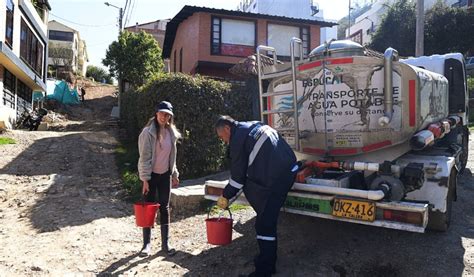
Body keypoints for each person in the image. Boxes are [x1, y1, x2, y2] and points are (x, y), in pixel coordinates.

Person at [215, 115, 298, 277]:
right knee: (265, 221)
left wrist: (225, 196)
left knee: (264, 225)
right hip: (291, 168)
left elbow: (237, 181)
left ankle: (265, 270)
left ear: (227, 129)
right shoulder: (252, 125)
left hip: (278, 179)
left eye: (222, 137)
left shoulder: (237, 140)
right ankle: (265, 261)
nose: (224, 141)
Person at [138, 101, 181, 257]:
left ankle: (165, 244)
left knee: (164, 208)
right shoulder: (147, 133)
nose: (165, 116)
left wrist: (174, 174)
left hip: (165, 176)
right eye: (162, 113)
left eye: (167, 114)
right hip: (151, 177)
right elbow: (144, 158)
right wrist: (144, 180)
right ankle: (146, 245)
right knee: (149, 209)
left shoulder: (172, 133)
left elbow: (172, 158)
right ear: (156, 114)